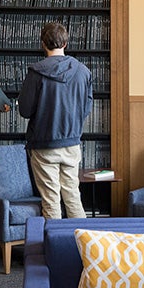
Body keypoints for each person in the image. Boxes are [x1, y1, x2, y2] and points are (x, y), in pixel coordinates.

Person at [18, 21, 93, 219]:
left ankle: (54, 248)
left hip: (43, 145)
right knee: (73, 197)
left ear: (43, 43)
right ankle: (80, 247)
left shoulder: (36, 72)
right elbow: (86, 109)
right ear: (65, 44)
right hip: (71, 144)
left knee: (51, 201)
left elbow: (25, 110)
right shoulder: (83, 72)